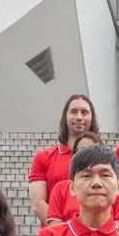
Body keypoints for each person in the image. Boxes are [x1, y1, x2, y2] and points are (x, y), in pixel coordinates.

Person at [28, 93, 98, 221]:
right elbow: (38, 204)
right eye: (74, 112)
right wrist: (64, 232)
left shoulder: (104, 159)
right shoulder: (43, 157)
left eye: (84, 112)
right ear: (65, 117)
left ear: (92, 118)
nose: (79, 117)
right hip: (56, 235)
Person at [43, 132, 119, 223]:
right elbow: (55, 226)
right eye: (82, 150)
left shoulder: (112, 188)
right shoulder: (60, 189)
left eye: (105, 175)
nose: (96, 183)